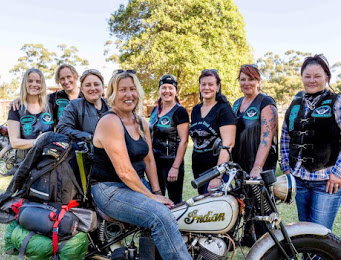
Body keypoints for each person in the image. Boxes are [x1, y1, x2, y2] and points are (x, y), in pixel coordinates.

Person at [90, 70, 192, 259]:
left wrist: (158, 192)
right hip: (110, 189)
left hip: (134, 186)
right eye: (122, 90)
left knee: (175, 210)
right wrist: (151, 198)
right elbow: (124, 171)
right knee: (160, 216)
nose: (129, 95)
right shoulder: (110, 121)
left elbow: (149, 159)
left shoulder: (140, 122)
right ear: (113, 93)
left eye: (132, 89)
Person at [280, 54, 341, 230]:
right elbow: (286, 137)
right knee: (304, 232)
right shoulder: (295, 103)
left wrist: (338, 172)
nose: (312, 80)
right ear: (302, 77)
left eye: (317, 76)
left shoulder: (338, 101)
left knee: (319, 235)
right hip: (299, 179)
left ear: (327, 76)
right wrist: (287, 167)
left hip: (327, 181)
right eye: (307, 76)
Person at [232, 64, 278, 247]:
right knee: (245, 204)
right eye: (243, 79)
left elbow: (267, 138)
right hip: (240, 165)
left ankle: (269, 248)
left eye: (251, 79)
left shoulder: (266, 102)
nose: (246, 83)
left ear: (258, 81)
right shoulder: (236, 104)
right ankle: (248, 237)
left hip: (259, 165)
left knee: (262, 211)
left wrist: (257, 167)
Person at [189, 69, 235, 194]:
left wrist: (217, 176)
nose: (206, 87)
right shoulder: (196, 110)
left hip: (216, 169)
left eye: (210, 84)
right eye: (203, 84)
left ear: (217, 86)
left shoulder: (224, 109)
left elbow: (228, 144)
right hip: (199, 168)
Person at [149, 74, 189, 204]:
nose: (167, 91)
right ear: (159, 90)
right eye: (164, 87)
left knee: (174, 201)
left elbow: (184, 141)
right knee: (156, 199)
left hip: (171, 163)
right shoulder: (155, 110)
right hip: (155, 163)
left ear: (175, 91)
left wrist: (175, 167)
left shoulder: (180, 112)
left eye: (170, 88)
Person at [9, 64, 83, 127]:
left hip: (85, 140)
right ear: (59, 81)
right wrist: (19, 99)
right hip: (63, 141)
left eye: (69, 77)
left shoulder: (86, 96)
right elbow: (37, 97)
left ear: (75, 76)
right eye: (62, 79)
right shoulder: (54, 98)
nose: (66, 81)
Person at [8, 68, 54, 151]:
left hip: (49, 160)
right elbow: (14, 142)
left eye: (38, 81)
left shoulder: (50, 105)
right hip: (25, 161)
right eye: (30, 81)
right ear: (24, 84)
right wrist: (38, 142)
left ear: (42, 85)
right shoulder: (16, 108)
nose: (34, 84)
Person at [56, 69, 109, 141]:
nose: (93, 88)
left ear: (103, 87)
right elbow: (62, 128)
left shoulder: (112, 106)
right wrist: (88, 137)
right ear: (82, 89)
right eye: (88, 85)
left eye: (96, 84)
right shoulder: (74, 106)